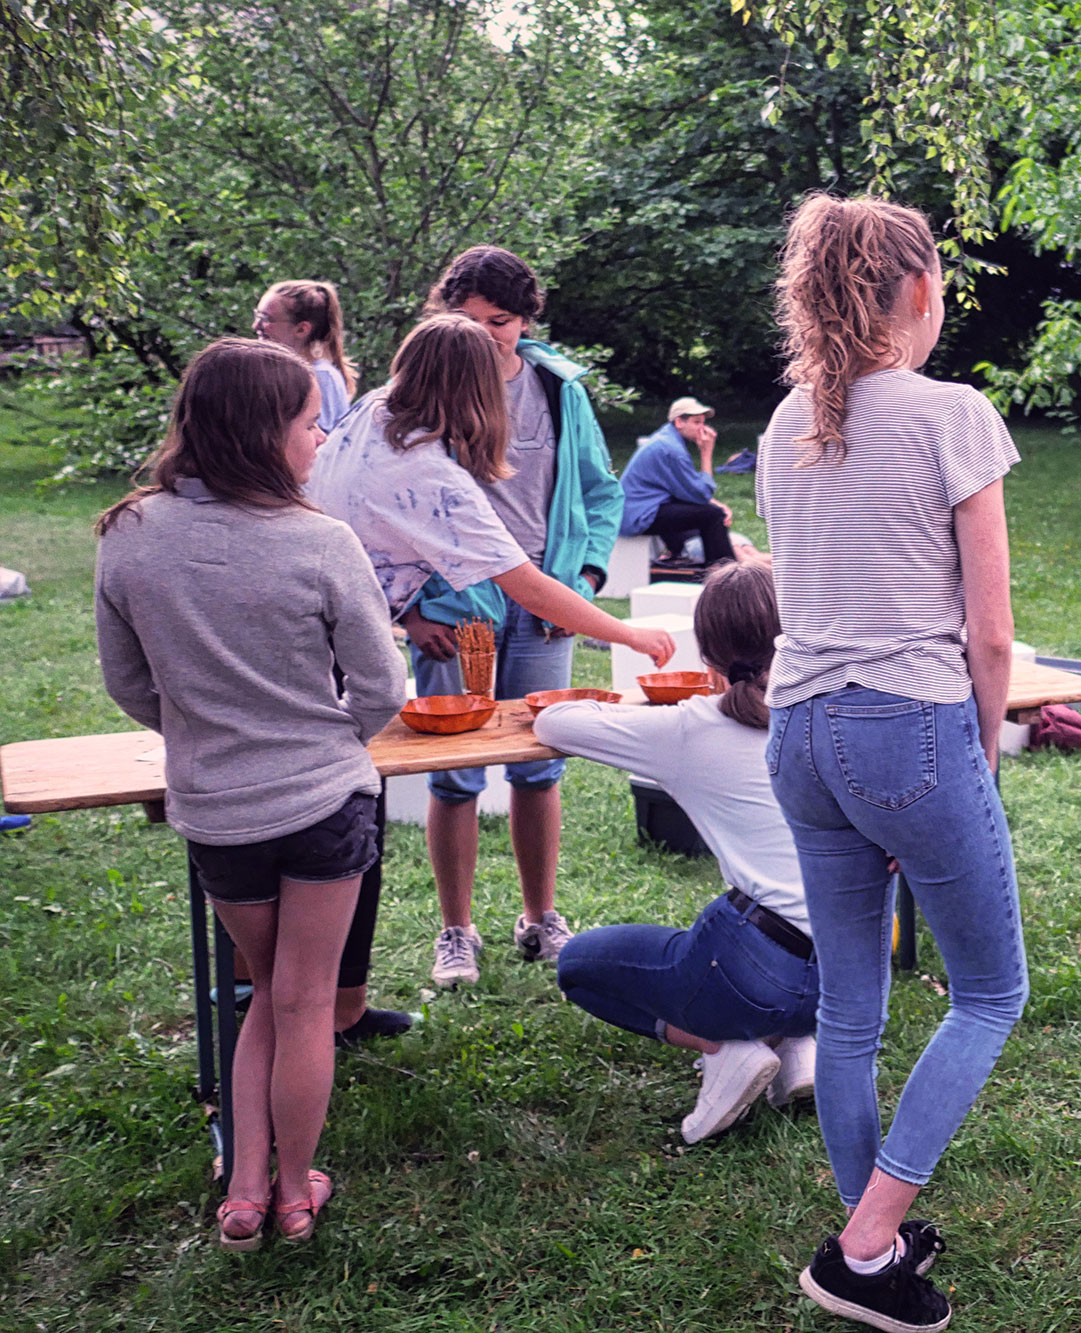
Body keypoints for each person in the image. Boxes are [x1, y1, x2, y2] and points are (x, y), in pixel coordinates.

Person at [760, 192, 1025, 1333]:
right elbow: (993, 629)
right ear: (918, 293)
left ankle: (864, 1241)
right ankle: (867, 1239)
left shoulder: (783, 423)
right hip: (906, 728)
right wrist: (985, 752)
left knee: (849, 1008)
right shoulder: (950, 411)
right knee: (989, 990)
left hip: (798, 733)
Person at [94, 338, 407, 1248]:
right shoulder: (319, 542)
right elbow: (382, 686)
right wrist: (327, 741)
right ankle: (297, 1190)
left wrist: (205, 737)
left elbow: (128, 684)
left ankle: (243, 1192)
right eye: (312, 423)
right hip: (323, 807)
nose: (320, 440)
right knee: (304, 999)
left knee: (266, 991)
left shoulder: (128, 534)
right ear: (265, 430)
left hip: (216, 810)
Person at [305, 313, 676, 984]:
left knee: (525, 762)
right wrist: (629, 633)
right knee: (382, 803)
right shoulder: (432, 479)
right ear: (474, 391)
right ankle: (365, 978)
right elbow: (527, 586)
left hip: (324, 626)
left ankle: (529, 921)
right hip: (354, 639)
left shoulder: (372, 409)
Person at [398, 246, 628, 987]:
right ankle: (455, 931)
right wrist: (407, 609)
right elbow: (376, 508)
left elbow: (598, 492)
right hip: (452, 611)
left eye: (499, 321)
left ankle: (540, 915)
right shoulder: (417, 391)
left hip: (546, 606)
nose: (485, 334)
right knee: (455, 773)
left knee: (540, 759)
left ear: (525, 321)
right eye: (467, 319)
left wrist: (584, 581)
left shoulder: (560, 391)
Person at [533, 560, 817, 1143]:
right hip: (852, 975)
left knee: (578, 967)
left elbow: (555, 725)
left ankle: (725, 1048)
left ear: (709, 656)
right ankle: (798, 1048)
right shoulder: (837, 709)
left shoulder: (691, 727)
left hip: (758, 967)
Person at [620, 395, 741, 568]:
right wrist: (706, 453)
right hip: (640, 516)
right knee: (714, 516)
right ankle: (726, 573)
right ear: (679, 422)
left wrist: (715, 503)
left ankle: (687, 561)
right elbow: (701, 494)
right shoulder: (672, 450)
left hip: (639, 509)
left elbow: (684, 490)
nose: (703, 428)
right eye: (696, 422)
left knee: (706, 514)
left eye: (703, 422)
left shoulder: (665, 440)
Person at [253, 281, 357, 431]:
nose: (256, 326)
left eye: (266, 319)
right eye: (257, 316)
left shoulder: (321, 377)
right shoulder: (283, 374)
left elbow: (320, 446)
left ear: (302, 329)